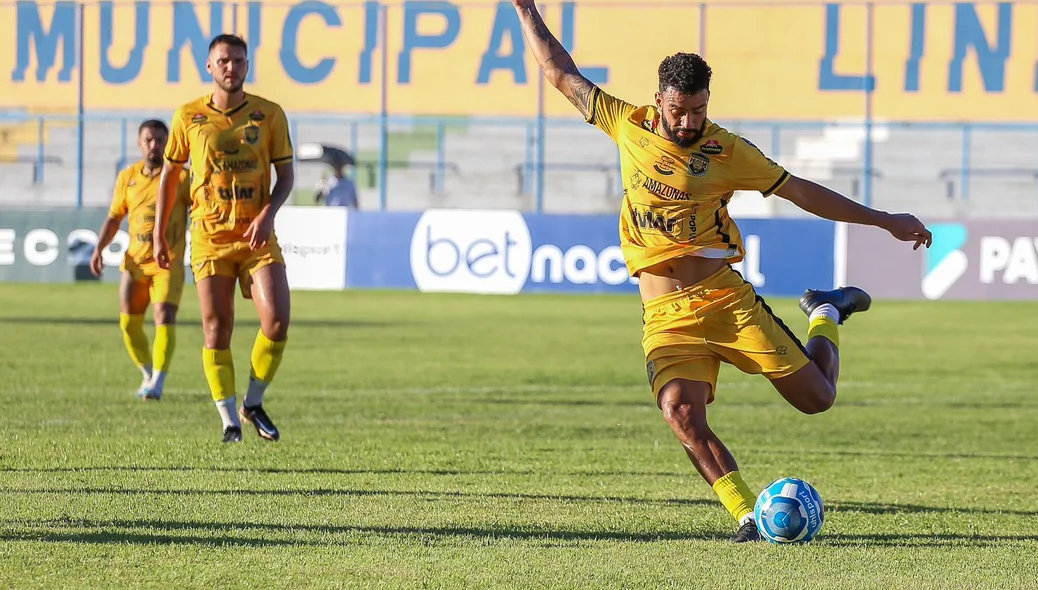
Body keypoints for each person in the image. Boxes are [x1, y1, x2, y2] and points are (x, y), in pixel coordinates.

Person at [511, 0, 933, 542]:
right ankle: (746, 516)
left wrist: (882, 220)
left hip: (724, 300)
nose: (689, 121)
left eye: (699, 110)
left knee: (817, 400)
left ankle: (826, 311)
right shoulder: (626, 123)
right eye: (679, 110)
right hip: (665, 312)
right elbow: (559, 72)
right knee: (681, 414)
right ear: (658, 100)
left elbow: (801, 190)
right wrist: (525, 8)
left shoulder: (727, 150)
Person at [154, 33, 295, 444]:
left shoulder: (269, 115)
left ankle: (253, 402)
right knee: (217, 328)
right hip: (210, 236)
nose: (230, 67)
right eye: (223, 61)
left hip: (256, 235)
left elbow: (286, 177)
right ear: (209, 67)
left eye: (238, 60)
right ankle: (229, 419)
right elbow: (170, 175)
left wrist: (268, 214)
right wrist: (162, 233)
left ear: (247, 67)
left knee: (278, 320)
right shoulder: (188, 116)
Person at [90, 119, 191, 401]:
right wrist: (99, 249)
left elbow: (201, 212)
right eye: (148, 140)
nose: (154, 145)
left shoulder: (182, 177)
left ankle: (158, 381)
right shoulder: (128, 177)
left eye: (160, 140)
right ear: (139, 143)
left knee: (164, 315)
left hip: (167, 262)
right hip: (135, 261)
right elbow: (115, 216)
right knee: (128, 321)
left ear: (168, 143)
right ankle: (148, 372)